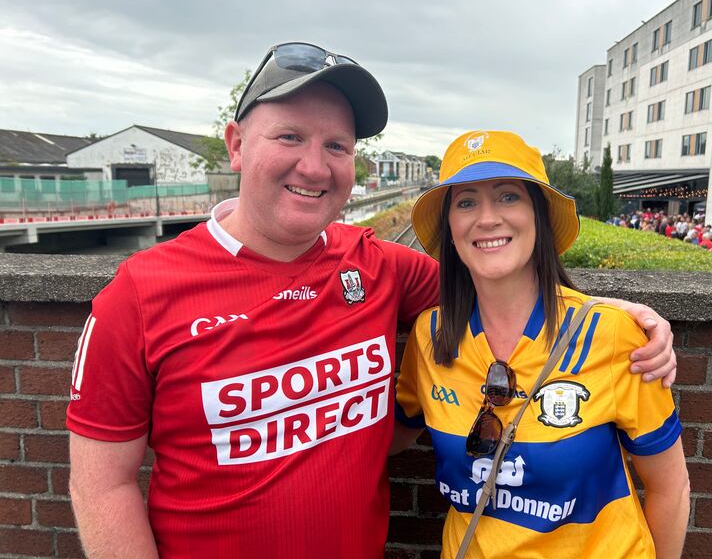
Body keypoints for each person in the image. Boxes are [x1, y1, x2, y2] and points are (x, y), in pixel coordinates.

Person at [66, 43, 677, 559]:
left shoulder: (376, 264)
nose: (315, 164)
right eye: (290, 136)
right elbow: (103, 489)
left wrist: (614, 311)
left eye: (337, 145)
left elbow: (494, 274)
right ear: (235, 145)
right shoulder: (137, 296)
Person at [394, 131, 689, 559]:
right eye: (466, 201)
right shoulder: (431, 335)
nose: (488, 217)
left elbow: (670, 487)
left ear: (540, 217)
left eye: (509, 197)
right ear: (451, 228)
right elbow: (388, 435)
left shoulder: (612, 335)